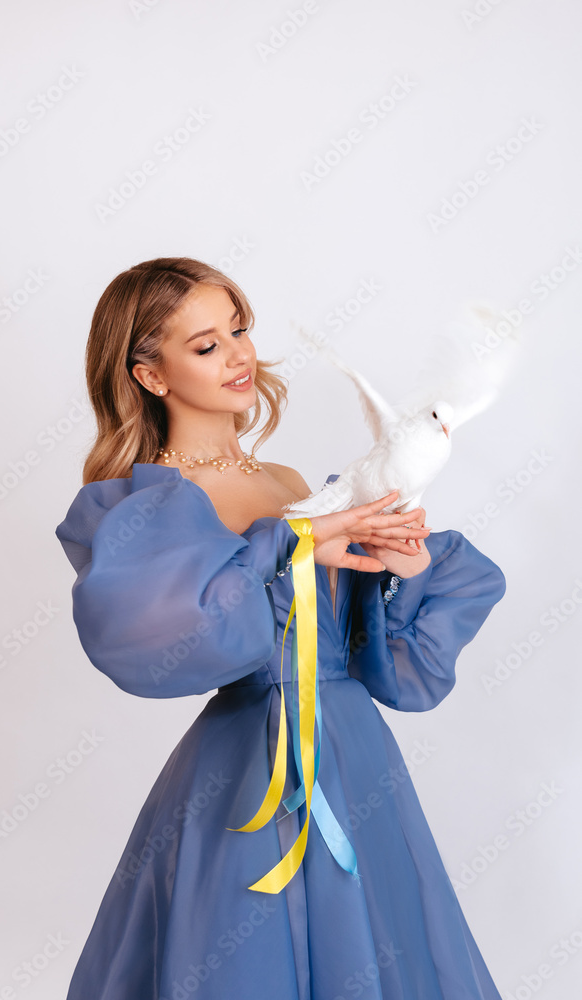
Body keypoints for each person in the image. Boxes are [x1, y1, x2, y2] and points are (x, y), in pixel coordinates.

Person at [55, 256, 507, 1000]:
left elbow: (366, 654)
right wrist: (293, 542)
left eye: (239, 330)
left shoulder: (289, 484)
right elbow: (160, 637)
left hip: (356, 754)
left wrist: (398, 566)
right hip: (249, 770)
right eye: (207, 345)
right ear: (151, 375)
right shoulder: (153, 504)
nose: (238, 355)